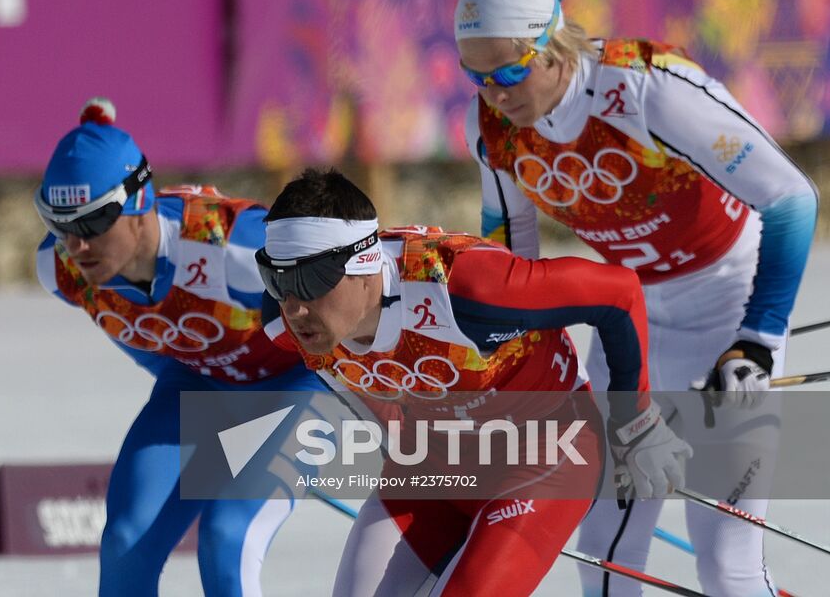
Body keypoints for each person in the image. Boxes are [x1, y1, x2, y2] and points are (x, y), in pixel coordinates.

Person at [454, 0, 819, 596]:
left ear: (551, 42)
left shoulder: (647, 89)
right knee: (604, 547)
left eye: (510, 71)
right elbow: (512, 260)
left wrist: (759, 338)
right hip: (633, 324)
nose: (495, 93)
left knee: (726, 564)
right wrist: (508, 370)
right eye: (476, 76)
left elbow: (791, 199)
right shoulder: (495, 126)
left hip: (730, 308)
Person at [259, 167, 685, 596]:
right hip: (434, 463)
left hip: (547, 451)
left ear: (364, 264)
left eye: (308, 281)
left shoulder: (464, 288)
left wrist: (637, 420)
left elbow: (618, 293)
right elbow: (349, 380)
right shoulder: (284, 320)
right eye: (275, 280)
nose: (293, 307)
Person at [34, 98, 322, 597]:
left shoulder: (232, 250)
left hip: (305, 387)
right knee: (126, 540)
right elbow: (150, 341)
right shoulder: (60, 271)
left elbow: (360, 295)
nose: (76, 246)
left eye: (90, 224)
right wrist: (198, 377)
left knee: (225, 536)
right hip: (200, 390)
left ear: (138, 203)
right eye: (59, 225)